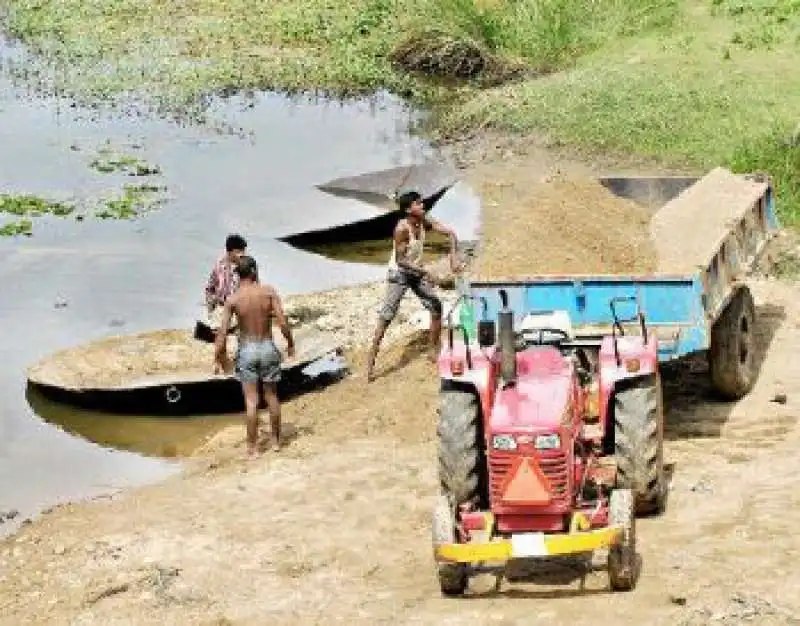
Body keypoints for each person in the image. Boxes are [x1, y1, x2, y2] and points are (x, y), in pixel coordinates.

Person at [365, 190, 461, 383]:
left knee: (436, 307)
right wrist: (427, 273)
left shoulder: (423, 221)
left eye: (421, 203)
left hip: (416, 272)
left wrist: (453, 257)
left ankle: (434, 351)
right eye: (418, 204)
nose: (422, 205)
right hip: (399, 275)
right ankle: (370, 363)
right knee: (387, 316)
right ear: (409, 209)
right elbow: (401, 261)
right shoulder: (402, 229)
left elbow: (450, 232)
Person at [214, 255, 295, 456]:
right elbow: (283, 322)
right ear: (254, 271)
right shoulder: (268, 292)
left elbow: (222, 333)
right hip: (267, 347)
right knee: (272, 396)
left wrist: (219, 357)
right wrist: (290, 343)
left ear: (237, 276)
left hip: (247, 350)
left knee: (251, 401)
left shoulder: (233, 300)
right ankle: (276, 442)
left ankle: (252, 448)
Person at [204, 234, 248, 332]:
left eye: (243, 251)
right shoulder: (219, 265)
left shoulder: (247, 265)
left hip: (240, 309)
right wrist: (211, 311)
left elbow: (255, 287)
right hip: (222, 308)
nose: (242, 254)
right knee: (216, 331)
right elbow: (210, 288)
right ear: (229, 252)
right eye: (239, 251)